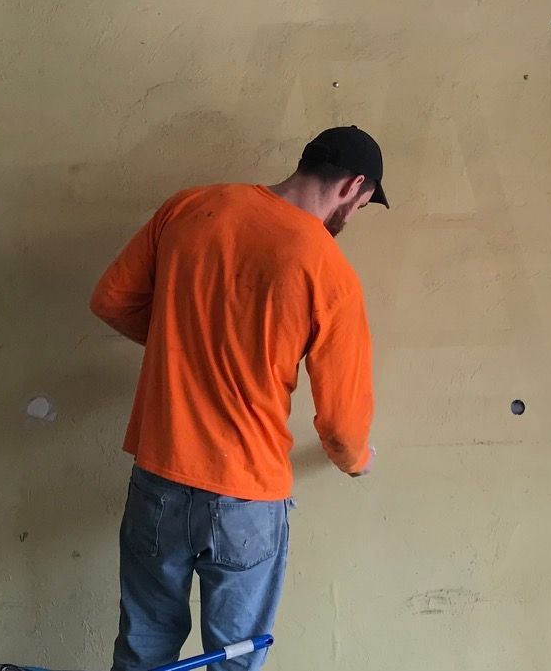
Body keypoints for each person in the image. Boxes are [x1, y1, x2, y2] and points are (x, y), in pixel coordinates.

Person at [89, 126, 387, 671]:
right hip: (247, 496)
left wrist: (178, 344)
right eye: (365, 203)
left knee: (143, 648)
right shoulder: (328, 270)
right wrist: (356, 461)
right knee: (234, 658)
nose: (355, 216)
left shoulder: (191, 208)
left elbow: (111, 300)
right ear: (355, 186)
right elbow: (342, 425)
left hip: (160, 477)